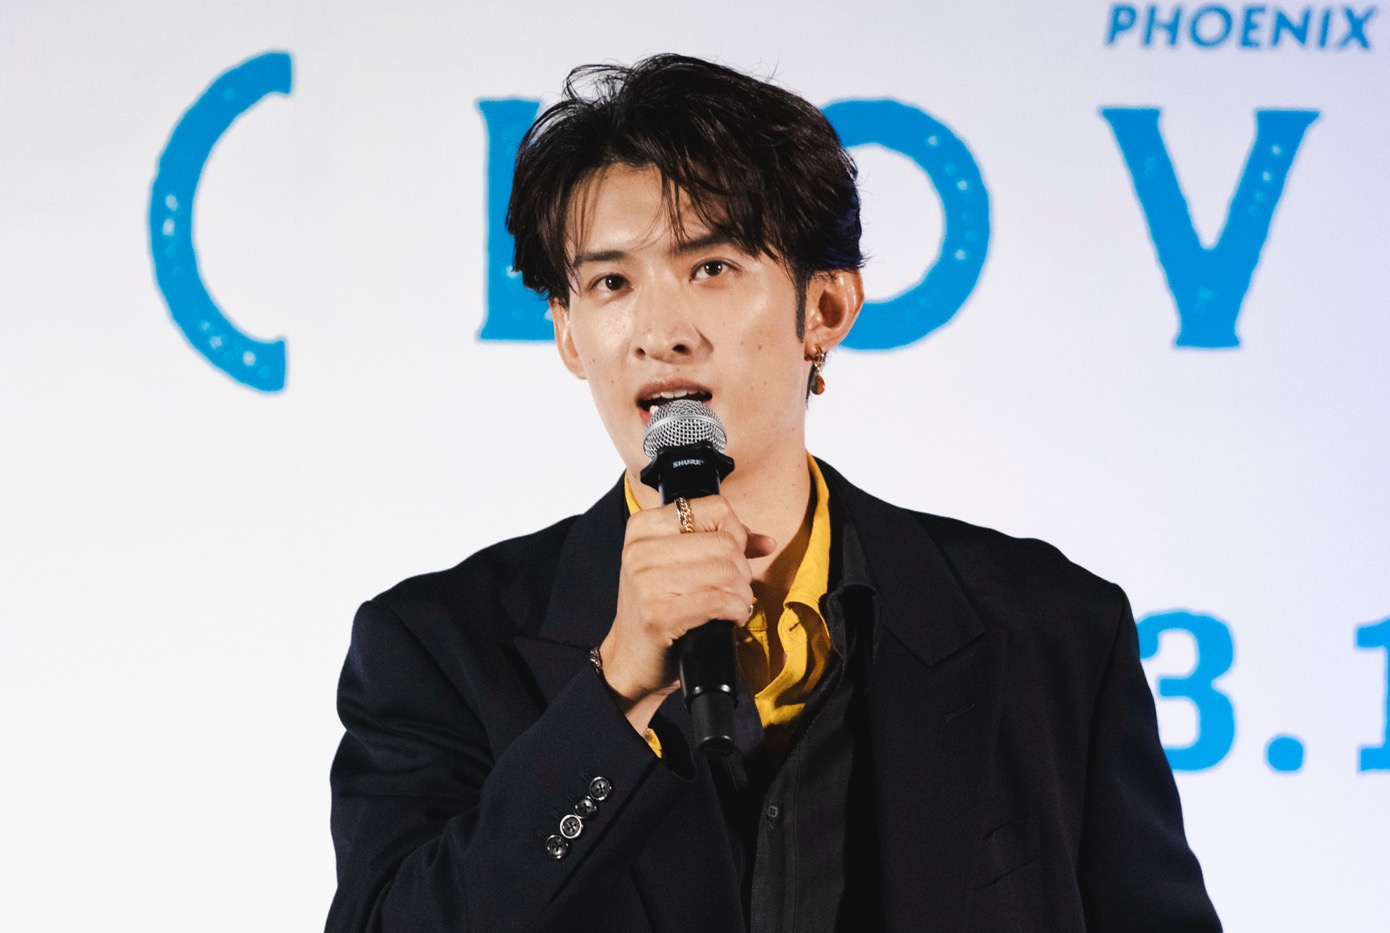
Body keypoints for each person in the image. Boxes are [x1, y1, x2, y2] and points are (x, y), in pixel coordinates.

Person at [326, 54, 1221, 932]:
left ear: (825, 309)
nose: (660, 332)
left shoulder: (1050, 629)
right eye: (610, 283)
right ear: (568, 332)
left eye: (711, 267)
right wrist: (615, 694)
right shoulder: (438, 647)